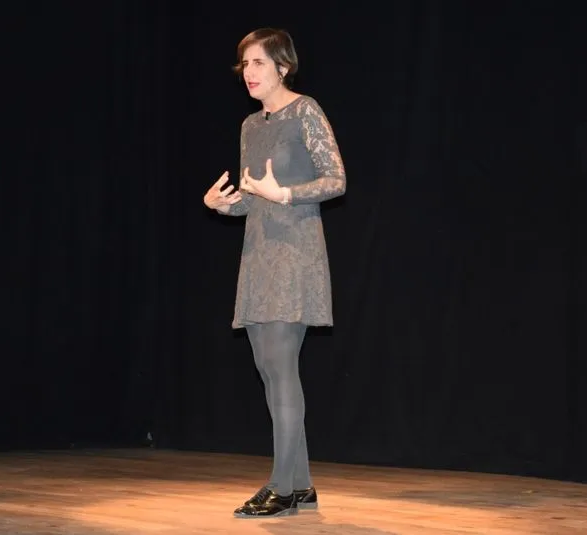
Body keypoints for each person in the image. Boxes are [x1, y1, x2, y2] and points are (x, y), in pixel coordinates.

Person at [203, 28, 346, 518]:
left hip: (295, 257)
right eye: (245, 65)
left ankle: (280, 487)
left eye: (259, 63)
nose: (249, 73)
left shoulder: (306, 111)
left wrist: (285, 193)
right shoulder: (250, 126)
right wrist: (223, 204)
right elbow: (252, 194)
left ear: (283, 67)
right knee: (268, 370)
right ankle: (301, 483)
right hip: (258, 255)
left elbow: (335, 179)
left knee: (282, 368)